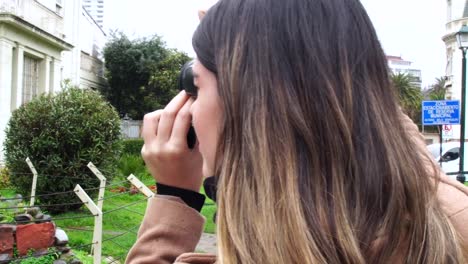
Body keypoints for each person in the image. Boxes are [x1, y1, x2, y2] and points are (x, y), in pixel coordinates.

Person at [126, 0, 468, 263]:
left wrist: (175, 197)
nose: (191, 107)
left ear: (246, 112)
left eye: (197, 86)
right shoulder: (445, 233)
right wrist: (340, 77)